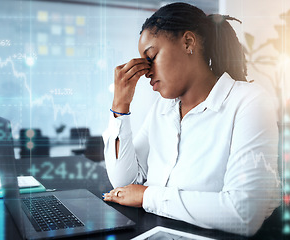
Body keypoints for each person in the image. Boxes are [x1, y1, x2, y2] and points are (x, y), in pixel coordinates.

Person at [102, 2, 280, 237]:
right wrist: (120, 107)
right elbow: (123, 183)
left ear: (188, 43)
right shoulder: (162, 109)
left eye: (152, 56)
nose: (146, 70)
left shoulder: (249, 103)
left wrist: (147, 196)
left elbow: (243, 214)